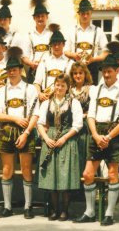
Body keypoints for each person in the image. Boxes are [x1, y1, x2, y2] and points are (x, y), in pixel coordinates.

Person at [73, 54, 119, 226]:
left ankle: (109, 214)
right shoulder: (96, 89)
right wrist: (95, 135)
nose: (106, 75)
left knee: (113, 174)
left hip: (114, 134)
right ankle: (90, 211)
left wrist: (108, 137)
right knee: (87, 174)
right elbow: (91, 115)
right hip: (97, 132)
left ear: (117, 70)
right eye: (104, 72)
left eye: (109, 71)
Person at [0, 47, 39, 219]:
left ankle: (28, 206)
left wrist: (26, 133)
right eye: (9, 70)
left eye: (14, 69)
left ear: (21, 70)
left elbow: (36, 114)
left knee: (26, 169)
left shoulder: (30, 89)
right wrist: (14, 119)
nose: (11, 72)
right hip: (7, 131)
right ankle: (7, 207)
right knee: (7, 169)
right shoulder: (1, 90)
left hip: (25, 132)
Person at [38, 73, 83, 221]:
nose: (59, 88)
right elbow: (40, 123)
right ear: (54, 85)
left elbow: (78, 125)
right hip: (50, 139)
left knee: (64, 176)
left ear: (67, 87)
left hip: (66, 141)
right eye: (57, 85)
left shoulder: (73, 103)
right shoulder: (46, 103)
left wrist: (64, 138)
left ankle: (64, 210)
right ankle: (54, 210)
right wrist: (46, 138)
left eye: (63, 85)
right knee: (52, 176)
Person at [65, 0, 108, 85]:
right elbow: (66, 51)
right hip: (75, 69)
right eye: (83, 13)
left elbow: (106, 53)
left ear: (91, 13)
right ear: (79, 14)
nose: (85, 16)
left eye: (87, 13)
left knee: (91, 95)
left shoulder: (98, 31)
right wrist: (75, 55)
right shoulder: (71, 31)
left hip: (92, 68)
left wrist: (93, 59)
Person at [34, 24, 73, 102]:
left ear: (64, 44)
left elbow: (72, 85)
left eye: (59, 44)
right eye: (54, 44)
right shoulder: (44, 62)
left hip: (64, 100)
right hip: (46, 100)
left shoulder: (70, 63)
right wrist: (39, 94)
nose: (57, 47)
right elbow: (36, 83)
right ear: (51, 46)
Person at [69, 62, 93, 179]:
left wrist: (85, 115)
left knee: (85, 154)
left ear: (85, 74)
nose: (78, 76)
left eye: (80, 73)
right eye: (75, 73)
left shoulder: (91, 89)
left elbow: (94, 108)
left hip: (86, 127)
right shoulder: (68, 90)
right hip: (71, 126)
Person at [22, 0, 51, 83]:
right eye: (38, 16)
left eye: (42, 16)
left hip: (49, 70)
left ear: (47, 17)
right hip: (33, 71)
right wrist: (32, 64)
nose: (40, 18)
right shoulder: (29, 35)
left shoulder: (52, 34)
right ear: (34, 18)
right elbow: (24, 57)